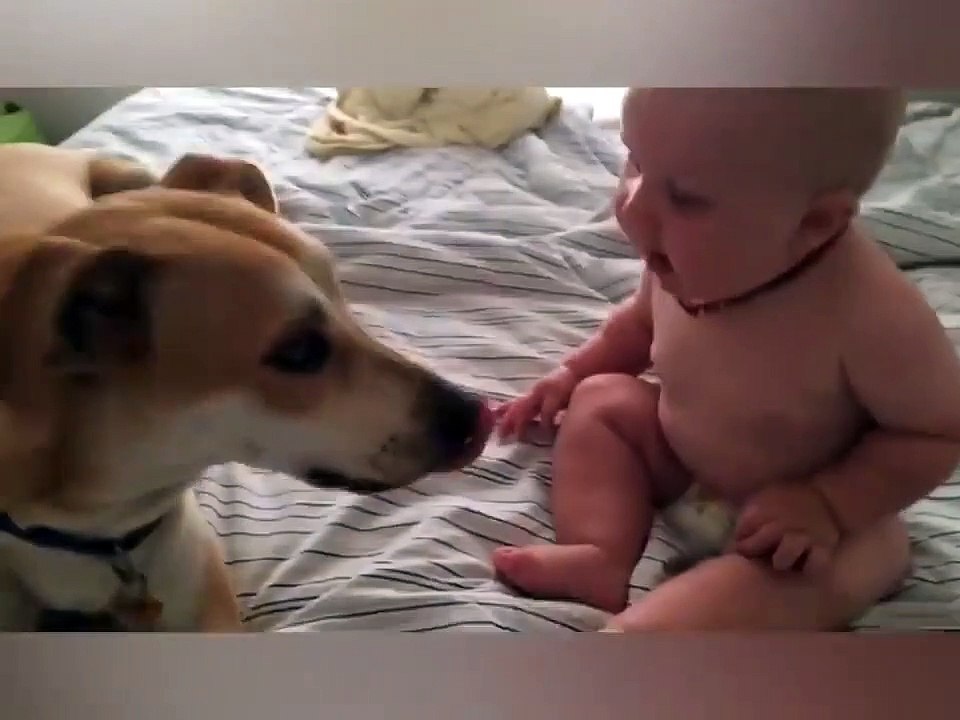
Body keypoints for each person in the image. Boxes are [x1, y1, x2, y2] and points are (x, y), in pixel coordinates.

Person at [493, 88, 960, 631]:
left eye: (687, 198)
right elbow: (639, 324)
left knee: (845, 565)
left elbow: (935, 433)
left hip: (806, 523)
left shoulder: (870, 315)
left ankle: (654, 632)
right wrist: (573, 372)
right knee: (601, 400)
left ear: (816, 223)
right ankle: (599, 555)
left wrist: (828, 505)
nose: (633, 207)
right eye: (636, 161)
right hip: (685, 462)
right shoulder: (681, 257)